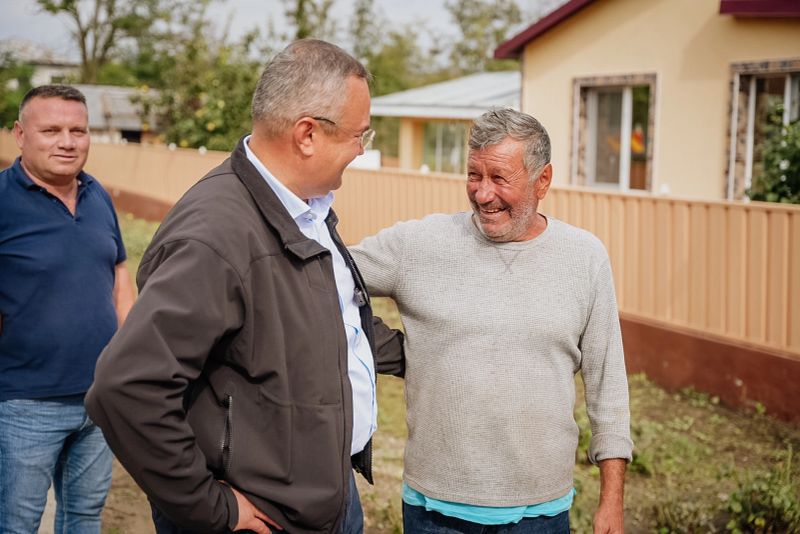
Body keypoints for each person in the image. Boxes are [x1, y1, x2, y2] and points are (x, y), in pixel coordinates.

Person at [84, 39, 404, 534]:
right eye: (359, 135)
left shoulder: (305, 209)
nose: (362, 149)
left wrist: (434, 349)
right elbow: (125, 388)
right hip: (263, 514)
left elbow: (332, 323)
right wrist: (210, 507)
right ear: (307, 134)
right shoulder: (216, 235)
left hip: (325, 494)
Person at [350, 108, 633, 533]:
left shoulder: (584, 258)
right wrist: (390, 349)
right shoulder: (418, 245)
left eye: (499, 178)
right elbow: (321, 278)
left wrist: (612, 500)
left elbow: (607, 385)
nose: (483, 194)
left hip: (540, 514)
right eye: (473, 175)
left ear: (542, 180)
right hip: (434, 513)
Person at [0, 85, 135, 533]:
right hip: (23, 404)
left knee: (84, 517)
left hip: (99, 401)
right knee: (16, 524)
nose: (67, 142)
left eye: (78, 130)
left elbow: (119, 274)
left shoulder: (98, 196)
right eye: (51, 130)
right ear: (20, 134)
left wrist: (124, 361)